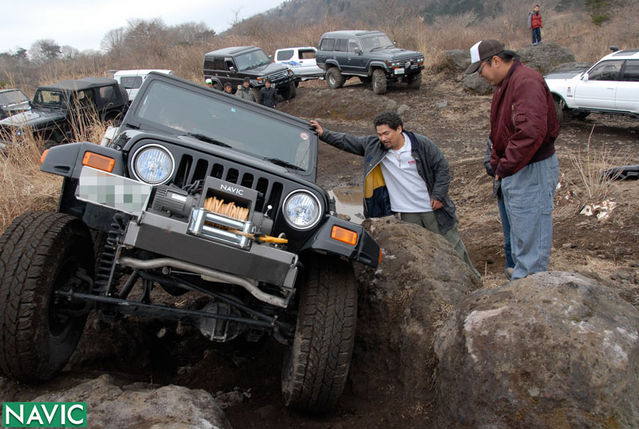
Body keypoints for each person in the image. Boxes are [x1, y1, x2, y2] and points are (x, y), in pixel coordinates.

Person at [310, 112, 481, 278]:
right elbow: (348, 141)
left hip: (433, 208)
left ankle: (475, 281)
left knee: (453, 247)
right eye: (379, 134)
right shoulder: (375, 147)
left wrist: (438, 195)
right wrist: (324, 134)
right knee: (423, 252)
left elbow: (442, 168)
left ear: (399, 129)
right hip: (407, 213)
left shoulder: (421, 144)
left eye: (386, 133)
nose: (383, 138)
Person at [466, 39, 559, 280]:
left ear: (495, 61)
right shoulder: (506, 84)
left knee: (531, 242)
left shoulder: (525, 82)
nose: (480, 76)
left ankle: (528, 298)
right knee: (521, 237)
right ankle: (520, 288)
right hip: (517, 168)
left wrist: (504, 165)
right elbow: (501, 130)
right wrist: (497, 162)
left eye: (481, 69)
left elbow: (531, 132)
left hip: (530, 169)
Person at [484, 137, 515, 279]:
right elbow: (488, 162)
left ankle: (524, 272)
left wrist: (501, 167)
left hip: (520, 193)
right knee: (509, 238)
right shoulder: (494, 137)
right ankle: (511, 270)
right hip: (502, 193)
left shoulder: (522, 136)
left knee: (522, 235)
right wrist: (499, 167)